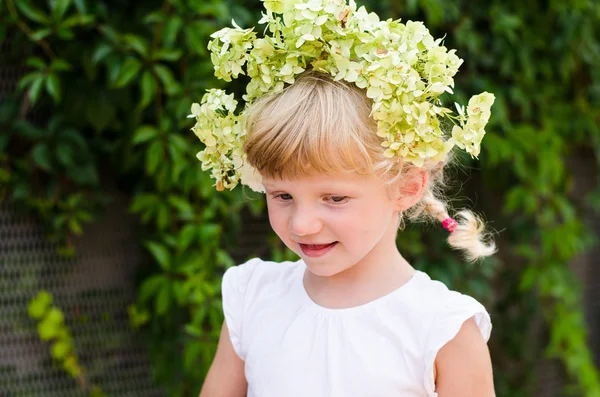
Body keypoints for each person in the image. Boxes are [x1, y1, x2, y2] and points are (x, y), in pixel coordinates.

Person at [190, 1, 497, 396]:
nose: (301, 224)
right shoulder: (253, 298)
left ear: (406, 187)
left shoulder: (442, 331)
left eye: (334, 198)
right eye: (282, 194)